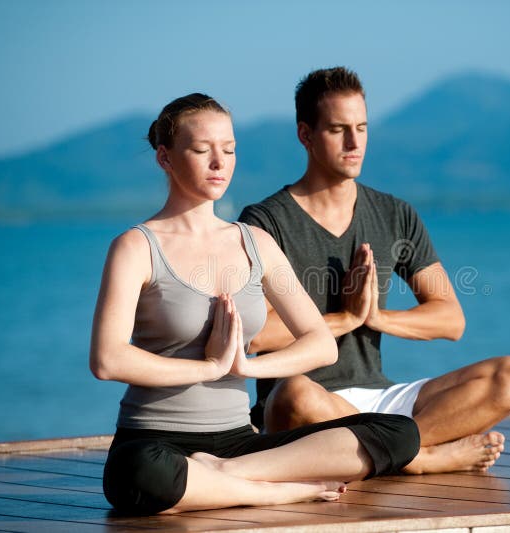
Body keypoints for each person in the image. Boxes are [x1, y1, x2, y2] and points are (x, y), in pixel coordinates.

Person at [89, 93, 420, 515]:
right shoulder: (136, 248)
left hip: (238, 441)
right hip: (155, 440)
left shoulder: (255, 243)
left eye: (228, 150)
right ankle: (273, 490)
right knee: (139, 472)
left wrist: (246, 367)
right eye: (201, 150)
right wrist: (207, 368)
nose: (219, 163)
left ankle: (223, 476)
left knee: (398, 433)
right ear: (165, 158)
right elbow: (107, 360)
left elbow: (320, 343)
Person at [239, 67, 510, 475]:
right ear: (305, 135)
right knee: (296, 395)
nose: (354, 142)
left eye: (361, 127)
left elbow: (450, 319)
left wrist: (378, 317)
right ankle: (420, 457)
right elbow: (252, 336)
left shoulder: (394, 215)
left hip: (381, 400)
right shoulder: (263, 222)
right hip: (305, 402)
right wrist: (344, 319)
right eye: (338, 129)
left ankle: (391, 449)